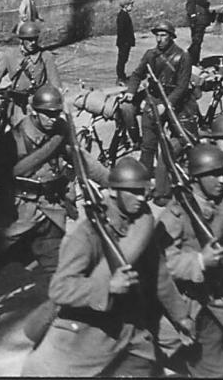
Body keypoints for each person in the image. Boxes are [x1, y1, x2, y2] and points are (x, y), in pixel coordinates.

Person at [0, 85, 107, 338]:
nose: (53, 118)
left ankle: (65, 312)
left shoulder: (60, 134)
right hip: (17, 210)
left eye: (56, 113)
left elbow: (83, 160)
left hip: (50, 209)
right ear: (34, 112)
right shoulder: (15, 137)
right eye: (47, 113)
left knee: (56, 264)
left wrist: (113, 181)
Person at [21, 158, 175, 377]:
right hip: (85, 339)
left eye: (143, 191)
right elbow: (60, 288)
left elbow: (160, 274)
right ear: (113, 192)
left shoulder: (139, 225)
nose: (141, 198)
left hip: (132, 335)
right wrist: (108, 287)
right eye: (133, 191)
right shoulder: (86, 236)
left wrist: (181, 318)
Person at [155, 143, 223, 377]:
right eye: (215, 174)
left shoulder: (217, 203)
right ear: (195, 178)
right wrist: (200, 261)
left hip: (217, 298)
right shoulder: (174, 216)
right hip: (189, 307)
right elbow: (163, 264)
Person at [125, 20, 198, 204]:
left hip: (177, 102)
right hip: (155, 100)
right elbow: (136, 74)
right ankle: (142, 184)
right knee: (148, 145)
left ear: (171, 37)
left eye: (163, 35)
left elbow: (182, 87)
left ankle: (169, 185)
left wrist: (167, 105)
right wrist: (130, 92)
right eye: (157, 35)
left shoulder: (183, 57)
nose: (159, 39)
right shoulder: (151, 55)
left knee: (178, 143)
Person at [0, 21, 62, 125]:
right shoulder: (9, 56)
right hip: (16, 104)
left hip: (38, 103)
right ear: (22, 40)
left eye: (35, 39)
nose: (32, 42)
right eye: (29, 40)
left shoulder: (46, 56)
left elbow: (55, 86)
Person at [187, 0, 213, 65]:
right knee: (196, 41)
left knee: (198, 41)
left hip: (201, 16)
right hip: (198, 17)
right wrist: (192, 16)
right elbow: (191, 2)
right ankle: (191, 61)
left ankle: (193, 60)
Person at [116, 0, 136, 83]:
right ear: (126, 6)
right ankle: (121, 77)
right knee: (122, 59)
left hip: (125, 42)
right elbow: (121, 31)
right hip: (124, 43)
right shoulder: (122, 16)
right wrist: (126, 42)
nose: (132, 7)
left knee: (124, 59)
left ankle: (122, 76)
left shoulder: (125, 15)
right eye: (131, 5)